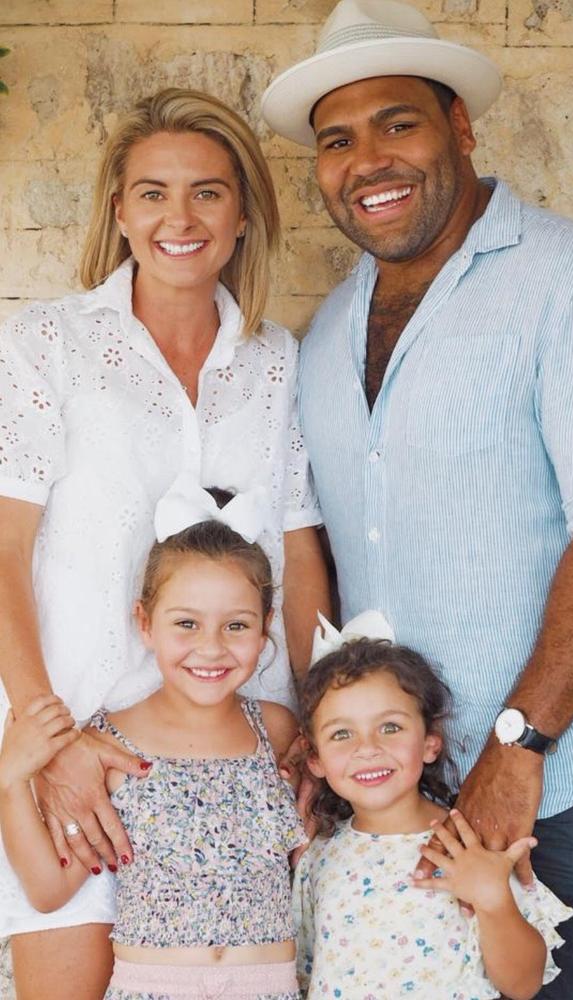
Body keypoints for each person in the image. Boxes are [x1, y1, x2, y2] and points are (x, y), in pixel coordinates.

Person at [261, 2, 573, 996]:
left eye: (398, 123)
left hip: (569, 791)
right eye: (337, 140)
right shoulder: (327, 328)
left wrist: (519, 745)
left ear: (459, 128)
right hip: (394, 806)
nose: (367, 160)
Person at [0, 87, 328, 998]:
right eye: (152, 192)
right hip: (80, 756)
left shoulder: (275, 359)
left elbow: (299, 553)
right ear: (118, 210)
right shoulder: (46, 344)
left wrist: (318, 729)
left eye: (207, 192)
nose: (178, 218)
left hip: (238, 772)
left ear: (243, 214)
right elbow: (4, 551)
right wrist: (48, 742)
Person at [0, 478, 306, 1000]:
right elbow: (50, 890)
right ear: (144, 623)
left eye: (236, 626)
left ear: (265, 627)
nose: (210, 648)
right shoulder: (111, 742)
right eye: (186, 623)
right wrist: (11, 781)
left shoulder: (276, 731)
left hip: (269, 987)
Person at [293, 622, 573, 1000]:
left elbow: (523, 985)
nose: (367, 748)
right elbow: (306, 975)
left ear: (429, 744)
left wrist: (494, 902)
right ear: (315, 760)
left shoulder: (470, 845)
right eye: (342, 734)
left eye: (390, 727)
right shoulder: (318, 856)